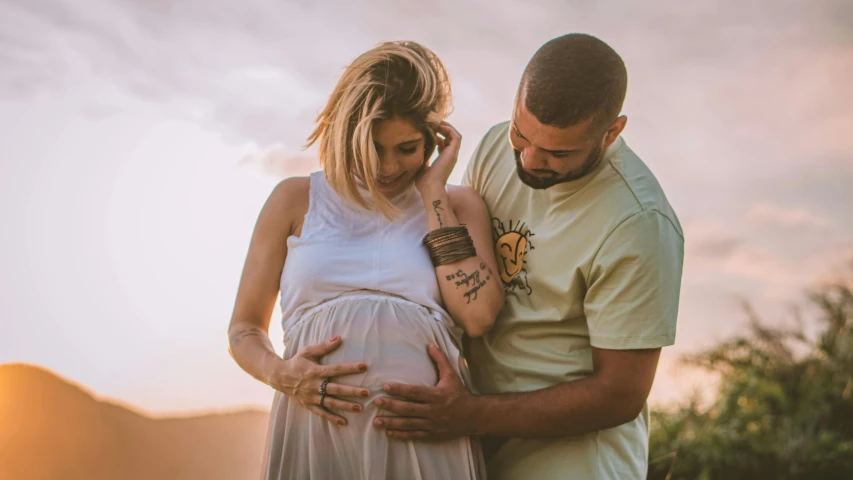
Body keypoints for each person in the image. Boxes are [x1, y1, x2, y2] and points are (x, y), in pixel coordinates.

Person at [371, 33, 685, 479]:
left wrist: (468, 414)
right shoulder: (500, 146)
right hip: (471, 441)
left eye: (559, 152)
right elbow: (462, 271)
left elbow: (619, 394)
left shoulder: (639, 222)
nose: (531, 159)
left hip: (571, 461)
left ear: (612, 132)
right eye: (523, 133)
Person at [226, 41, 504, 479]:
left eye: (407, 148)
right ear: (344, 134)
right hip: (317, 434)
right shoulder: (295, 200)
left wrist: (433, 193)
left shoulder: (458, 206)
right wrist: (281, 374)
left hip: (424, 439)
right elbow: (243, 328)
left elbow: (478, 316)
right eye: (373, 147)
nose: (388, 167)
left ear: (434, 139)